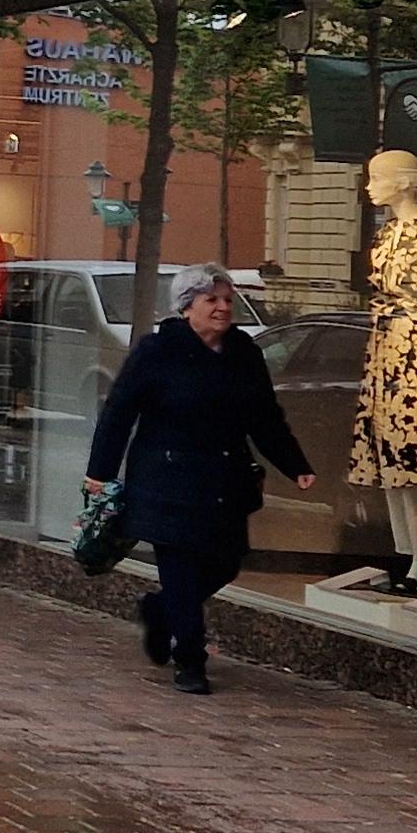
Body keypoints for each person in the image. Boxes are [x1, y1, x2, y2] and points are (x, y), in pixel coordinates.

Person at [83, 262, 316, 695]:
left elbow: (264, 417)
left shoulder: (243, 353)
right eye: (212, 300)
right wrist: (100, 470)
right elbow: (119, 412)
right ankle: (190, 660)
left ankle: (160, 612)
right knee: (181, 569)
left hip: (224, 480)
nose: (223, 308)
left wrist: (295, 464)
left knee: (225, 562)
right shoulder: (158, 351)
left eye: (227, 300)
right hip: (167, 479)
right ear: (187, 306)